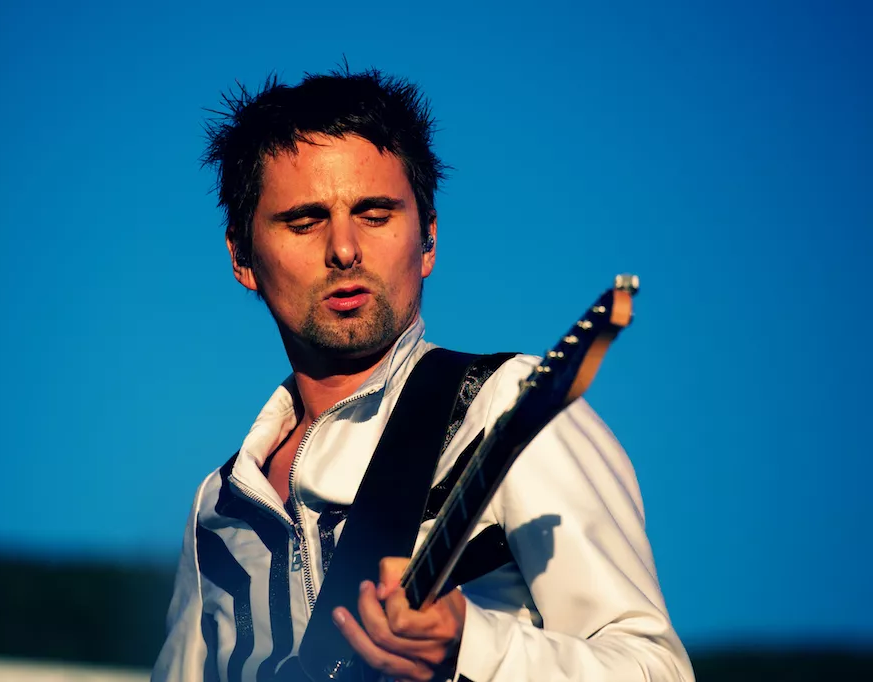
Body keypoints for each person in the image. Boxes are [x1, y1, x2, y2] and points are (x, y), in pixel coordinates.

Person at [152, 68, 694, 682]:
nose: (344, 249)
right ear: (243, 257)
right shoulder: (216, 507)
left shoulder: (505, 406)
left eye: (375, 214)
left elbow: (657, 671)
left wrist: (474, 646)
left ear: (428, 237)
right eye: (304, 221)